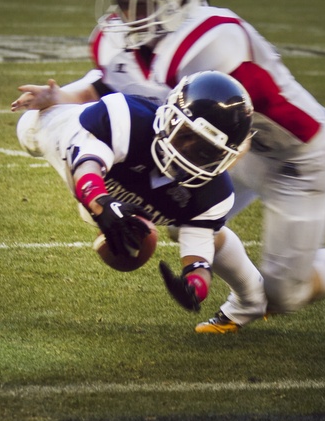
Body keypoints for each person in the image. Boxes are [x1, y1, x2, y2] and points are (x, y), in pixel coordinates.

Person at [12, 0, 325, 334]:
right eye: (123, 2)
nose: (128, 15)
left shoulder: (212, 42)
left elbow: (224, 137)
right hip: (210, 146)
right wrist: (59, 97)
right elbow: (111, 86)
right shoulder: (120, 40)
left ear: (179, 2)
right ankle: (246, 302)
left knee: (287, 294)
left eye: (143, 4)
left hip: (292, 156)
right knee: (178, 216)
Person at [14, 70, 269, 320]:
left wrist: (196, 285)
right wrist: (101, 202)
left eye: (207, 150)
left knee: (176, 227)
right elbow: (86, 166)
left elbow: (199, 253)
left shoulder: (214, 192)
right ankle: (86, 86)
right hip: (68, 137)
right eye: (187, 135)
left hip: (121, 193)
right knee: (27, 126)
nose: (190, 152)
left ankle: (252, 296)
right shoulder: (126, 120)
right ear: (170, 118)